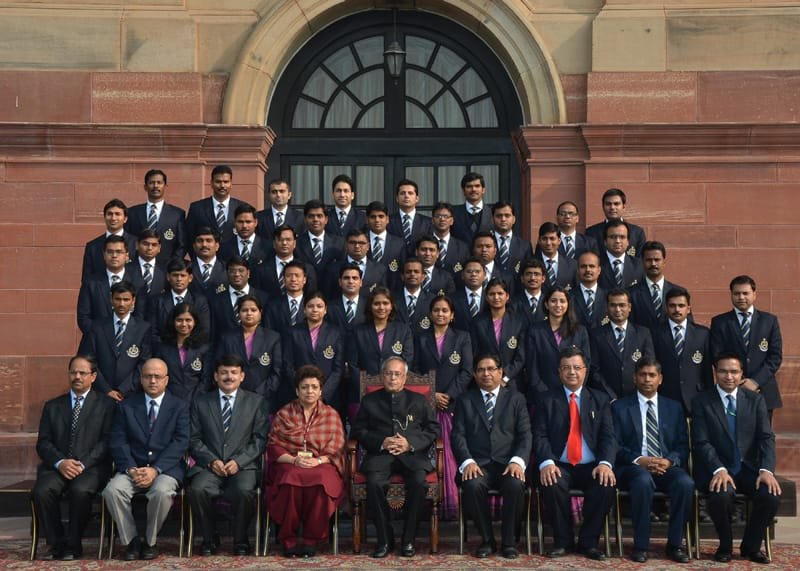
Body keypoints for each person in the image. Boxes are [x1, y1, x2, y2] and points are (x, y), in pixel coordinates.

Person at [691, 353, 781, 564]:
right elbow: (701, 442)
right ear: (715, 373)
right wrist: (718, 469)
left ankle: (751, 546)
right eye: (723, 371)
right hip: (717, 469)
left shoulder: (755, 400)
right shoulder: (702, 401)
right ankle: (725, 545)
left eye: (734, 372)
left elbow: (766, 437)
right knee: (721, 496)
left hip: (748, 468)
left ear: (741, 374)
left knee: (771, 495)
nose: (729, 376)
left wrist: (766, 470)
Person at [351, 356, 440, 558]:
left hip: (412, 456)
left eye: (397, 374)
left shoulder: (419, 400)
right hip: (380, 456)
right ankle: (384, 539)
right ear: (382, 376)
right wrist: (382, 442)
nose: (392, 378)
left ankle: (408, 539)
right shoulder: (370, 401)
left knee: (419, 482)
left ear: (404, 377)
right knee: (374, 483)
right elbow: (358, 430)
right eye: (389, 374)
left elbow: (433, 429)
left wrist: (410, 443)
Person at [534, 347, 616, 561]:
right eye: (566, 368)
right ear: (559, 372)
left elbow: (608, 436)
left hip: (592, 465)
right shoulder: (546, 399)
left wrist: (605, 463)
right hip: (560, 464)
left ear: (585, 371)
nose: (572, 372)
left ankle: (589, 543)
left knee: (605, 484)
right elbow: (540, 435)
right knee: (551, 482)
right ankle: (563, 541)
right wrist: (547, 462)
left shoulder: (600, 399)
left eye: (577, 367)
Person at [103, 358, 190, 560]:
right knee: (113, 491)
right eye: (147, 376)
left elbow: (181, 441)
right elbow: (118, 441)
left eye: (157, 377)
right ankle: (131, 541)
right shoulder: (126, 406)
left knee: (161, 492)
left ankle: (150, 541)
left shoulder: (179, 406)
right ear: (141, 379)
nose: (152, 381)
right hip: (133, 467)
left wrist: (155, 469)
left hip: (166, 469)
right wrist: (131, 468)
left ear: (166, 379)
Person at [31, 355, 115, 561]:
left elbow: (107, 442)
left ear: (93, 376)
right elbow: (43, 443)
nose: (77, 377)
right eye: (73, 372)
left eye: (82, 373)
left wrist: (83, 464)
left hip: (91, 467)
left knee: (80, 491)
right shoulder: (53, 406)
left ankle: (74, 544)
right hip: (59, 467)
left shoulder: (106, 405)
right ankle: (56, 543)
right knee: (43, 491)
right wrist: (60, 462)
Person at [611, 358, 693, 563]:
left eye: (652, 375)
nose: (647, 379)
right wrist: (641, 460)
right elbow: (615, 446)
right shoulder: (620, 407)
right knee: (642, 480)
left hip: (665, 466)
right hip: (633, 468)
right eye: (642, 375)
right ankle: (641, 546)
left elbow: (683, 445)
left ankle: (675, 545)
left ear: (660, 379)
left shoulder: (674, 407)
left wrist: (669, 461)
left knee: (685, 483)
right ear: (634, 378)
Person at [188, 354, 269, 556]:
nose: (229, 377)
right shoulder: (200, 402)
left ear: (242, 376)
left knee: (244, 491)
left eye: (234, 372)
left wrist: (239, 462)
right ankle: (209, 538)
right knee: (198, 489)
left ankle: (241, 540)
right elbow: (193, 439)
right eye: (224, 372)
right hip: (210, 465)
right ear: (216, 376)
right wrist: (211, 460)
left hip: (243, 466)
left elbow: (260, 440)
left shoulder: (256, 402)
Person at [451, 354, 531, 559]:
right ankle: (487, 540)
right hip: (478, 464)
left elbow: (525, 435)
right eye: (481, 370)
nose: (486, 374)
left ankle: (509, 542)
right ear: (474, 374)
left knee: (515, 484)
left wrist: (517, 461)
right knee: (472, 484)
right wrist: (468, 462)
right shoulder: (465, 400)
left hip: (507, 463)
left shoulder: (516, 399)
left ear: (500, 372)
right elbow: (458, 435)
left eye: (491, 369)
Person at [266, 365, 346, 557]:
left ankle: (312, 539)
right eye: (304, 387)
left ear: (321, 391)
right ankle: (289, 539)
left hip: (321, 463)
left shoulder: (331, 414)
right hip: (290, 462)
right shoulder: (285, 413)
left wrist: (318, 461)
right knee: (289, 480)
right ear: (297, 391)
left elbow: (337, 448)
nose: (309, 391)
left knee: (321, 481)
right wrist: (294, 460)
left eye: (314, 387)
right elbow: (274, 446)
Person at [413, 295, 473, 519]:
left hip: (453, 404)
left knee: (453, 453)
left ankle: (454, 504)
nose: (440, 314)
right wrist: (431, 394)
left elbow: (467, 371)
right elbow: (414, 370)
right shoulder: (420, 338)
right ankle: (426, 507)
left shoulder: (462, 338)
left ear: (452, 315)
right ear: (430, 314)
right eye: (436, 310)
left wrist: (448, 395)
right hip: (425, 406)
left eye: (445, 310)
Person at [710, 275, 783, 421]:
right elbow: (716, 355)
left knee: (763, 432)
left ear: (754, 294)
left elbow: (775, 357)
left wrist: (755, 382)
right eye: (737, 293)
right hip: (731, 390)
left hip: (763, 390)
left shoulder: (769, 321)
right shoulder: (720, 322)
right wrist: (738, 381)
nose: (741, 297)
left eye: (745, 293)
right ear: (731, 295)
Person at [346, 286, 414, 420]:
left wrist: (391, 383)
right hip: (364, 394)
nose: (381, 307)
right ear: (370, 306)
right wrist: (366, 386)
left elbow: (407, 360)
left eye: (385, 303)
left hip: (395, 392)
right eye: (376, 303)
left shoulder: (403, 330)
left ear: (391, 306)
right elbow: (353, 364)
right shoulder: (358, 331)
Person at [78, 281, 152, 401]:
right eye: (118, 299)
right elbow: (89, 360)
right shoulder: (96, 327)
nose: (122, 304)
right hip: (100, 394)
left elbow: (144, 363)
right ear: (111, 300)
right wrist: (106, 390)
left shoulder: (143, 328)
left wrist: (124, 390)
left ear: (133, 301)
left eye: (126, 299)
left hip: (131, 395)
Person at [526, 286, 591, 404]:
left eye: (562, 301)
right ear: (546, 304)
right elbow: (532, 368)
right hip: (543, 395)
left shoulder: (580, 331)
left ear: (568, 304)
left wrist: (574, 389)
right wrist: (543, 392)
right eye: (553, 301)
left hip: (572, 394)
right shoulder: (535, 331)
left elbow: (586, 362)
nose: (558, 305)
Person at [652, 288, 711, 415]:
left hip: (696, 396)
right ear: (666, 308)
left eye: (681, 306)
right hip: (666, 396)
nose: (677, 310)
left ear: (688, 309)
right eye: (672, 306)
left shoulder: (702, 333)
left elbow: (707, 370)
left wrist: (709, 396)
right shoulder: (655, 333)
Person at [282, 292, 345, 411]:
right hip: (299, 395)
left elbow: (338, 369)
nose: (315, 310)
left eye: (319, 306)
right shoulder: (293, 332)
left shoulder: (336, 333)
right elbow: (288, 365)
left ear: (325, 310)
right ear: (304, 310)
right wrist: (302, 389)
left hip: (328, 397)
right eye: (310, 306)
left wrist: (322, 393)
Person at [589, 288, 655, 401]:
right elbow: (594, 370)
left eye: (622, 305)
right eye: (613, 305)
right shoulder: (596, 335)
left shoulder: (643, 333)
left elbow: (649, 365)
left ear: (629, 307)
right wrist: (611, 396)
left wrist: (638, 394)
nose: (617, 309)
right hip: (607, 399)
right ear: (607, 307)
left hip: (636, 398)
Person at [214, 295, 281, 405]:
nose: (249, 313)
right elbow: (219, 367)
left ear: (260, 312)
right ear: (238, 313)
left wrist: (258, 393)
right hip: (233, 396)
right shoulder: (227, 338)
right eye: (244, 310)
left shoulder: (272, 338)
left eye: (253, 310)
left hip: (264, 398)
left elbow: (277, 372)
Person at [77, 235, 145, 334]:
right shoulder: (91, 283)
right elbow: (83, 318)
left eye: (119, 252)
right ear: (104, 255)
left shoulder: (138, 282)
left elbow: (140, 315)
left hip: (130, 338)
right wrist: (100, 337)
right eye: (110, 252)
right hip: (97, 339)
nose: (114, 255)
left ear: (127, 255)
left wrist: (126, 337)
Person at [470, 278, 527, 394]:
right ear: (486, 297)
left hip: (512, 382)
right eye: (492, 294)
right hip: (485, 380)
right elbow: (475, 353)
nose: (496, 297)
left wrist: (504, 377)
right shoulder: (478, 322)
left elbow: (521, 356)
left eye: (500, 293)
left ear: (507, 296)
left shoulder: (519, 322)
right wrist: (490, 376)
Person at [125, 169, 187, 265]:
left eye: (159, 183)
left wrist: (172, 266)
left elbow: (182, 245)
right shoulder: (132, 212)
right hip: (137, 267)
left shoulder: (177, 214)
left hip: (166, 268)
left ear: (165, 186)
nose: (155, 186)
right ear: (145, 187)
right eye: (151, 183)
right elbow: (127, 240)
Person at [153, 303, 212, 402]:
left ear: (195, 322)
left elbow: (206, 379)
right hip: (168, 401)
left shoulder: (204, 348)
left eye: (188, 320)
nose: (184, 324)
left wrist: (195, 399)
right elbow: (158, 376)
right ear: (173, 322)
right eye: (179, 320)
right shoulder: (162, 348)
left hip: (197, 401)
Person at [145, 258, 210, 346]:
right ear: (168, 277)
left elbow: (204, 330)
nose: (179, 279)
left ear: (190, 278)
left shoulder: (199, 301)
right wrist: (166, 349)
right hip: (163, 349)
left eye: (183, 275)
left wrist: (186, 347)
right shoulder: (156, 301)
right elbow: (152, 332)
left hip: (192, 349)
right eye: (175, 275)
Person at [207, 256, 269, 340]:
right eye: (232, 271)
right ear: (227, 273)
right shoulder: (216, 301)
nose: (237, 274)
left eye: (241, 270)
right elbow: (213, 333)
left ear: (248, 273)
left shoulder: (264, 298)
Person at [629, 241, 684, 332]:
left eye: (657, 260)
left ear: (664, 262)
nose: (653, 264)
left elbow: (686, 325)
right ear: (642, 262)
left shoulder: (679, 293)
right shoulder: (631, 293)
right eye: (649, 260)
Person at [251, 225, 318, 298]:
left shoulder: (308, 269)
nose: (284, 243)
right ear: (274, 244)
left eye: (288, 240)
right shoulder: (260, 270)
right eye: (280, 240)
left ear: (294, 243)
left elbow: (311, 296)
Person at [81, 198, 137, 283]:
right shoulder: (93, 247)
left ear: (125, 219)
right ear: (104, 217)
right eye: (110, 214)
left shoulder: (136, 244)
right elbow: (86, 280)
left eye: (117, 214)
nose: (113, 218)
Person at [186, 164, 245, 243]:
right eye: (218, 182)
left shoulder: (242, 208)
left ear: (231, 183)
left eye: (226, 182)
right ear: (211, 183)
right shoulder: (197, 208)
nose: (222, 185)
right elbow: (189, 237)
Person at [322, 228, 387, 298]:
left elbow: (384, 296)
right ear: (346, 245)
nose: (357, 246)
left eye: (361, 243)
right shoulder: (332, 269)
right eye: (353, 242)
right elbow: (327, 296)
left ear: (368, 246)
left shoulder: (380, 270)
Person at [585, 188, 646, 258]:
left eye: (616, 204)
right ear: (603, 207)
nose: (612, 207)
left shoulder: (637, 232)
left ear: (624, 207)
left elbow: (640, 260)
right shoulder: (591, 233)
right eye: (608, 204)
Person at [294, 199, 344, 275]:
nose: (315, 219)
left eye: (319, 216)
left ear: (326, 219)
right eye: (311, 216)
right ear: (305, 220)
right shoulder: (297, 243)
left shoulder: (339, 243)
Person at [387, 179, 432, 254]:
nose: (406, 196)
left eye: (410, 193)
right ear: (397, 198)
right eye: (402, 193)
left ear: (417, 199)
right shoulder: (388, 221)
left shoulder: (427, 222)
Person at [598, 220, 644, 291]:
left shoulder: (639, 266)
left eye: (622, 237)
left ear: (628, 241)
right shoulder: (596, 264)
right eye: (613, 237)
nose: (617, 241)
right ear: (605, 241)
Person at [392, 257, 435, 333]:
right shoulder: (392, 298)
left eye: (416, 272)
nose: (412, 274)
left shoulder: (432, 300)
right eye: (408, 272)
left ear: (423, 277)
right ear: (402, 276)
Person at [365, 200, 406, 280]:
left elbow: (403, 270)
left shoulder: (399, 244)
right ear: (367, 220)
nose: (377, 220)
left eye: (381, 216)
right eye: (373, 217)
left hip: (392, 286)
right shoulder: (360, 242)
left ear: (387, 219)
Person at [125, 230, 166, 304]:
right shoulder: (126, 269)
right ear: (137, 245)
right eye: (145, 244)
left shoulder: (165, 271)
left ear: (159, 248)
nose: (150, 248)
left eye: (154, 245)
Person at [451, 172, 493, 244]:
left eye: (477, 186)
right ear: (463, 191)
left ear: (483, 190)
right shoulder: (453, 213)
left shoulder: (492, 213)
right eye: (469, 186)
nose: (473, 189)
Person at [490, 201, 531, 275]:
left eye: (507, 215)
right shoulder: (485, 244)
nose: (503, 219)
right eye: (499, 216)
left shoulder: (525, 246)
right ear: (492, 219)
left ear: (514, 219)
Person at [430, 201, 470, 275]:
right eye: (438, 216)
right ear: (432, 220)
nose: (442, 219)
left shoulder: (462, 248)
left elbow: (463, 269)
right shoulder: (424, 244)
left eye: (446, 216)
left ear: (452, 221)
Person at [570, 250, 607, 329]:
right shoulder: (569, 296)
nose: (588, 270)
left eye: (592, 266)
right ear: (578, 270)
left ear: (599, 270)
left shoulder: (608, 297)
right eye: (583, 266)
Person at [535, 222, 577, 291]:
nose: (548, 243)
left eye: (552, 239)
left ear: (559, 241)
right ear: (539, 241)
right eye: (544, 239)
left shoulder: (572, 265)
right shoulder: (531, 264)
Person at [326, 264, 367, 332]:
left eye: (355, 278)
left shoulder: (368, 306)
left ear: (361, 282)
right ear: (340, 282)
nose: (350, 281)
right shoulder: (329, 307)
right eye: (346, 278)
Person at [189, 227, 228, 295]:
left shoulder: (227, 269)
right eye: (200, 241)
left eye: (209, 241)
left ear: (217, 246)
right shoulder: (187, 269)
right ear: (194, 246)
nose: (204, 245)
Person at [451, 258, 487, 331]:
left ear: (484, 275)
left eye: (477, 271)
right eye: (469, 271)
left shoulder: (490, 297)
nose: (473, 274)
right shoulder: (452, 299)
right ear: (462, 275)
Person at [511, 258, 548, 326]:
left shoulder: (548, 302)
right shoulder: (513, 303)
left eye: (536, 274)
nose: (532, 278)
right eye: (528, 274)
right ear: (522, 278)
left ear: (543, 278)